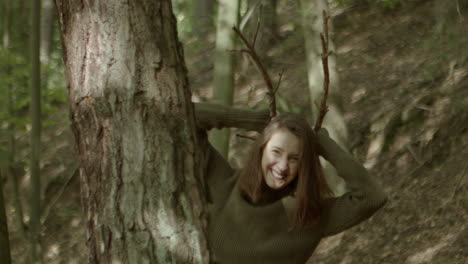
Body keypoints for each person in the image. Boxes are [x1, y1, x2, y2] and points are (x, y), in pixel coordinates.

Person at [195, 103, 387, 264]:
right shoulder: (225, 184)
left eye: (294, 158)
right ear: (261, 150)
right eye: (276, 152)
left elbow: (372, 196)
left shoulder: (308, 215)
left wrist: (322, 145)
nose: (282, 166)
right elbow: (185, 118)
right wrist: (254, 120)